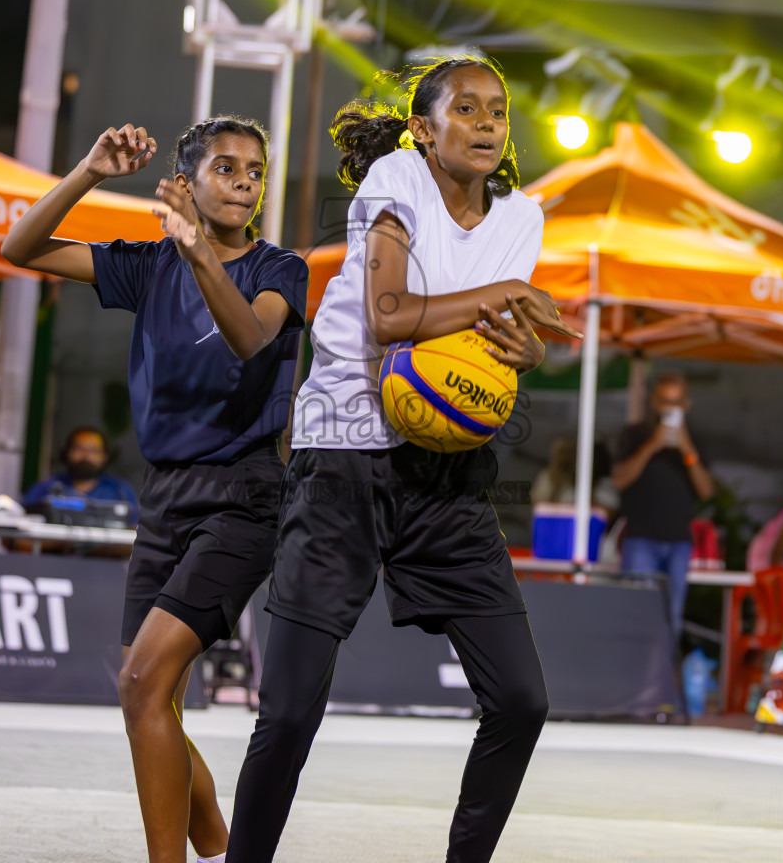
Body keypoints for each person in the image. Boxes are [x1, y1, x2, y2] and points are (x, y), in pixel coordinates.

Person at [226, 58, 577, 863]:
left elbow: (481, 351)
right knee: (287, 710)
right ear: (424, 128)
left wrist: (521, 355)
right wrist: (504, 303)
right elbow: (389, 318)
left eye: (499, 110)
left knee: (521, 700)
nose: (489, 122)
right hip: (343, 459)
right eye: (467, 109)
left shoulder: (522, 216)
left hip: (446, 474)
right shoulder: (395, 180)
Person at [2, 117, 307, 863]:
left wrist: (198, 248)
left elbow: (250, 338)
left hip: (243, 495)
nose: (243, 181)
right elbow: (19, 248)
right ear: (188, 179)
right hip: (164, 495)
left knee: (143, 682)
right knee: (149, 698)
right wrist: (91, 171)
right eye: (225, 168)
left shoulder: (280, 269)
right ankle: (212, 837)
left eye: (254, 171)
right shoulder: (149, 267)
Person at [611, 373, 715, 637]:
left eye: (677, 402)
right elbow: (619, 480)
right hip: (640, 539)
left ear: (686, 405)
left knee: (672, 618)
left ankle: (663, 674)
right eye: (666, 401)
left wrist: (688, 451)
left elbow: (706, 491)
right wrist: (652, 446)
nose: (671, 408)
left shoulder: (694, 441)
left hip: (679, 541)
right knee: (634, 615)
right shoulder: (635, 435)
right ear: (654, 403)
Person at [21, 425, 141, 518]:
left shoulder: (120, 490)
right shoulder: (46, 487)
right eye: (79, 449)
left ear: (105, 456)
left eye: (93, 451)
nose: (86, 456)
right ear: (66, 452)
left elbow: (134, 534)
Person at [530, 436, 619, 515]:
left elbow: (609, 512)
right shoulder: (548, 478)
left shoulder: (603, 484)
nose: (562, 457)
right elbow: (539, 506)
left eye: (567, 453)